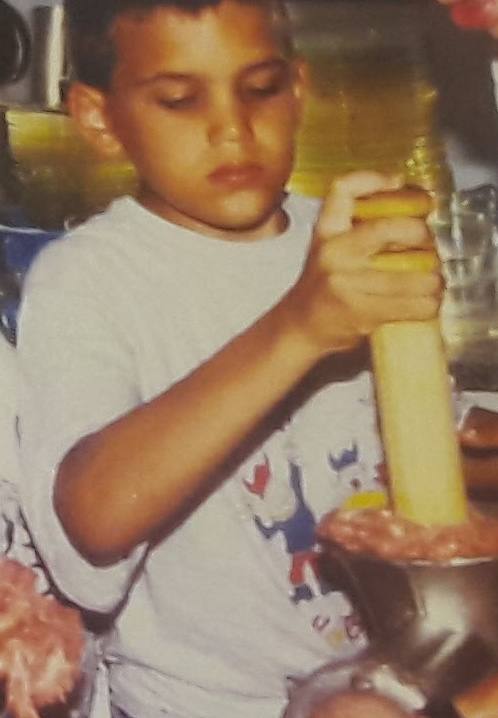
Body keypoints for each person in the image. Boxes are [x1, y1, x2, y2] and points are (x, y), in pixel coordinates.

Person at [14, 1, 498, 717]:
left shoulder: (339, 243)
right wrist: (298, 328)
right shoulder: (88, 281)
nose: (233, 129)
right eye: (179, 100)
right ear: (99, 119)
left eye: (262, 88)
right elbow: (90, 524)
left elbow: (429, 450)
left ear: (298, 89)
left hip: (389, 685)